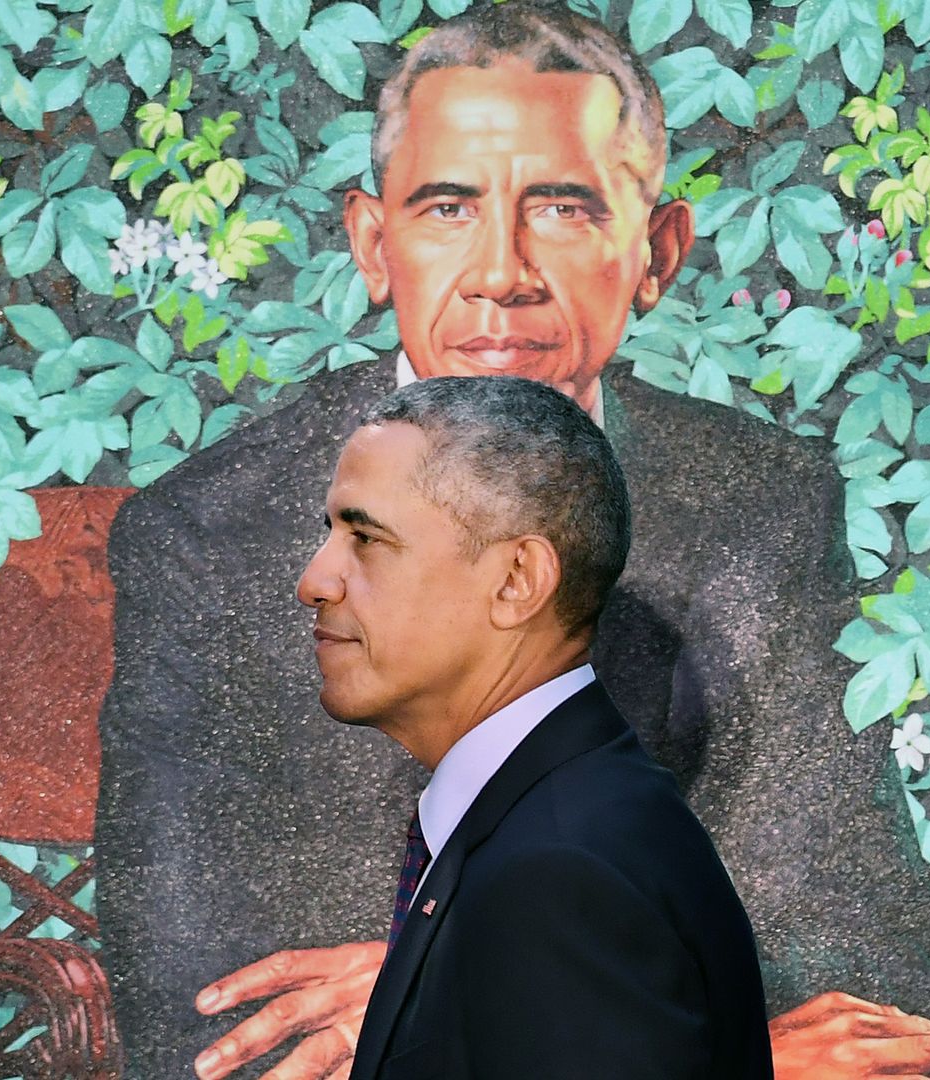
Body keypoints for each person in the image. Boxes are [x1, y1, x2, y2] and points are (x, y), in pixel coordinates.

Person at [94, 5, 930, 1079]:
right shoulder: (207, 527)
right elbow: (203, 996)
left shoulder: (764, 498)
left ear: (656, 252)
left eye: (564, 210)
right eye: (447, 207)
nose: (502, 273)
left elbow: (862, 932)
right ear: (373, 243)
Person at [301, 375, 774, 1079]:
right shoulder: (563, 822)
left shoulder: (559, 873)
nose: (315, 579)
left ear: (517, 579)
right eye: (331, 533)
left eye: (366, 537)